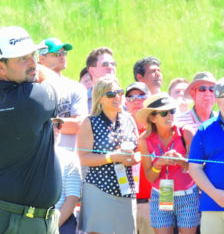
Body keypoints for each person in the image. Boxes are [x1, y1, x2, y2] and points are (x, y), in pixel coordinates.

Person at [0, 26, 61, 234]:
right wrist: (37, 69)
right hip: (15, 220)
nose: (32, 64)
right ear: (1, 67)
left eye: (33, 55)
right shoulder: (31, 99)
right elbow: (56, 83)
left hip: (17, 216)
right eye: (22, 58)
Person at [77, 76, 139, 234]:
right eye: (111, 94)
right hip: (99, 188)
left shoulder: (128, 120)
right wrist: (112, 157)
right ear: (100, 99)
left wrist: (133, 159)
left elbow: (138, 151)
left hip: (126, 189)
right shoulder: (90, 122)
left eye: (119, 92)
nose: (117, 97)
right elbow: (84, 158)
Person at [137, 93, 200, 234]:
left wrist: (181, 161)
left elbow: (197, 169)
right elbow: (150, 177)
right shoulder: (144, 140)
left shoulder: (186, 132)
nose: (170, 116)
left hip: (188, 195)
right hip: (160, 194)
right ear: (152, 118)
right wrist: (158, 164)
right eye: (164, 113)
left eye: (172, 111)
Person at [188, 78, 224, 234]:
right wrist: (215, 194)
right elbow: (194, 167)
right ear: (218, 100)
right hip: (212, 204)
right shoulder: (205, 129)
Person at [38, 37, 87, 151]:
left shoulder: (76, 87)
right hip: (41, 157)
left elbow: (78, 124)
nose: (62, 56)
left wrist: (43, 122)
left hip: (69, 158)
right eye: (56, 54)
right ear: (42, 58)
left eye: (63, 53)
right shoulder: (31, 88)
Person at [125, 82, 154, 234]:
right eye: (131, 97)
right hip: (124, 204)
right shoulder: (118, 130)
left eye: (141, 96)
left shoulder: (157, 129)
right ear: (125, 103)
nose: (136, 100)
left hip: (153, 204)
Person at [52, 117, 81, 234]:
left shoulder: (69, 158)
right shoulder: (27, 158)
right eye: (51, 125)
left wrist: (52, 228)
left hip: (61, 223)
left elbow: (72, 198)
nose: (56, 129)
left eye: (58, 125)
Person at [85, 47, 116, 113]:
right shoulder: (83, 101)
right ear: (92, 71)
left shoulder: (122, 99)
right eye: (105, 64)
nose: (111, 67)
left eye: (113, 64)